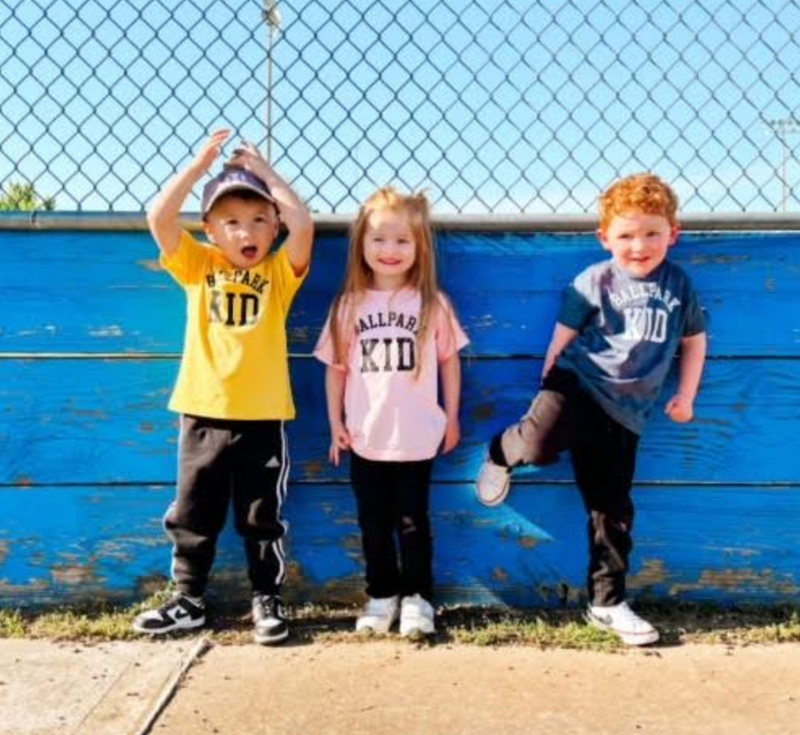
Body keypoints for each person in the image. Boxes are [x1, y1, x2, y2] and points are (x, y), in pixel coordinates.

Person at [476, 173, 707, 646]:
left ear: (673, 234)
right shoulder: (593, 280)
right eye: (625, 235)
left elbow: (695, 340)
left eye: (651, 234)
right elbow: (562, 336)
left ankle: (607, 602)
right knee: (537, 445)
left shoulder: (679, 284)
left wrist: (687, 395)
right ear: (605, 238)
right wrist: (548, 384)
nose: (638, 246)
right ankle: (501, 451)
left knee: (612, 509)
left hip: (628, 413)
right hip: (577, 385)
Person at [132, 130, 314, 644]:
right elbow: (159, 219)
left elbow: (303, 226)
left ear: (273, 225)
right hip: (202, 412)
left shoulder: (279, 274)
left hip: (262, 417)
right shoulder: (199, 266)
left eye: (258, 219)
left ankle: (267, 600)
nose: (245, 231)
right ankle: (188, 600)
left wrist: (269, 173)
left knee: (262, 517)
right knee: (193, 513)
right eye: (230, 221)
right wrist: (198, 165)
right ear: (211, 230)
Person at [314, 187, 469, 637]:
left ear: (419, 247)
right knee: (373, 523)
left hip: (417, 434)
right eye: (379, 239)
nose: (390, 250)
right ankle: (382, 594)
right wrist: (335, 424)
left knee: (413, 521)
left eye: (403, 241)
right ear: (361, 244)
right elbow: (335, 370)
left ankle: (419, 598)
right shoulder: (348, 305)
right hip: (365, 435)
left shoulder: (432, 303)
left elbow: (449, 363)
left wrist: (452, 417)